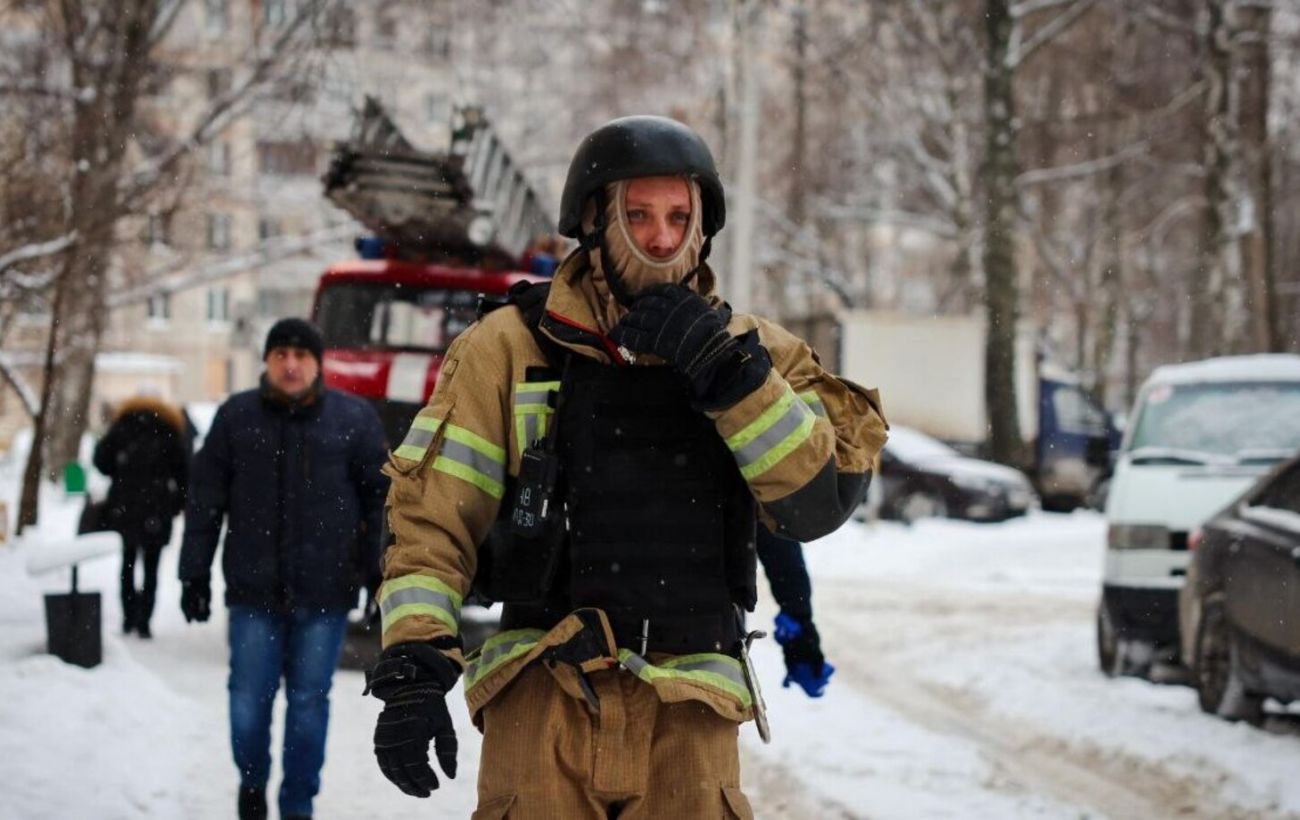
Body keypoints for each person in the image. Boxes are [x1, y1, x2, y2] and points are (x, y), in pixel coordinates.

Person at [365, 116, 888, 817]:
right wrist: (415, 670)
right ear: (594, 222)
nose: (662, 239)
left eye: (679, 217)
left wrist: (730, 378)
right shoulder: (510, 348)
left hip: (692, 715)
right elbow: (433, 521)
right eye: (638, 215)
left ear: (703, 227)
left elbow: (814, 503)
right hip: (542, 698)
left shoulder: (757, 354)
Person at [178, 318, 389, 820]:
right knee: (248, 700)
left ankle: (298, 804)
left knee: (308, 704)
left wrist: (379, 574)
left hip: (325, 594)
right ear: (267, 361)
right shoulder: (236, 417)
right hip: (253, 593)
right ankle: (252, 784)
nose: (290, 364)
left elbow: (380, 502)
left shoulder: (354, 419)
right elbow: (205, 500)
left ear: (318, 362)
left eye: (301, 355)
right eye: (280, 354)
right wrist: (194, 573)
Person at [92, 395, 189, 638]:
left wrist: (121, 472)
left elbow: (101, 461)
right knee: (151, 567)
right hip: (157, 508)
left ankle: (129, 617)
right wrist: (176, 504)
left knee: (127, 562)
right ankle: (145, 620)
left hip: (125, 507)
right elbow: (183, 472)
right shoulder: (168, 430)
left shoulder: (122, 426)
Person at [756, 527, 835, 698]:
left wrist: (799, 627)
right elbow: (777, 540)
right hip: (715, 625)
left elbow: (775, 538)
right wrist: (798, 617)